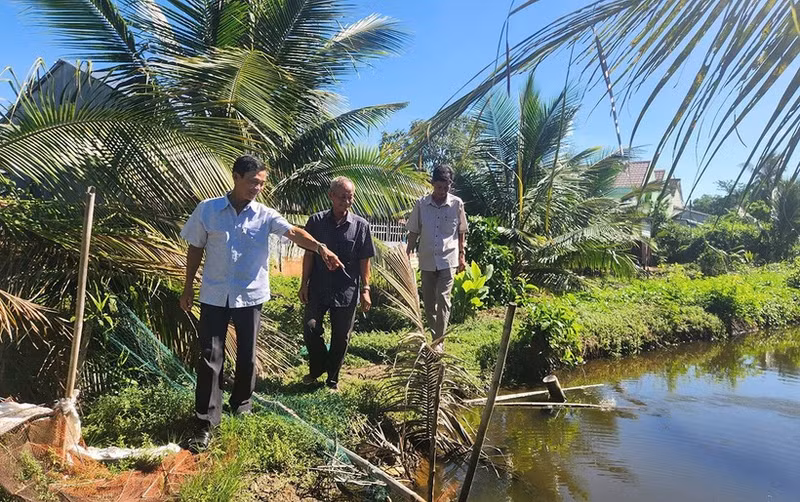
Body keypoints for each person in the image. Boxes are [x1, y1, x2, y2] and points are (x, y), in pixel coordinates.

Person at [179, 154, 343, 451]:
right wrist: (188, 287)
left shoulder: (264, 215)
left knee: (246, 355)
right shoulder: (209, 210)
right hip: (214, 294)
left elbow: (293, 232)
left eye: (262, 183)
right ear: (236, 177)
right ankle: (205, 420)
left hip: (250, 294)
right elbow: (195, 248)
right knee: (209, 355)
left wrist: (320, 248)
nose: (258, 188)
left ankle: (241, 404)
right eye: (253, 181)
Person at [299, 177, 375, 391]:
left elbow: (365, 260)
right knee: (310, 328)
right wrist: (304, 283)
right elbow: (309, 255)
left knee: (341, 337)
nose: (347, 201)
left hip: (346, 289)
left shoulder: (361, 226)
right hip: (319, 287)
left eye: (350, 197)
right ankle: (317, 368)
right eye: (342, 196)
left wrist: (365, 290)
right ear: (331, 196)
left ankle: (332, 378)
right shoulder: (315, 222)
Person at [406, 164, 468, 349]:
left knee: (443, 299)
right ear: (432, 183)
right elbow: (414, 230)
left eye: (446, 187)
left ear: (450, 185)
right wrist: (407, 252)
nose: (442, 191)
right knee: (430, 302)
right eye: (439, 186)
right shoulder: (421, 204)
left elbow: (461, 231)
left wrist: (462, 256)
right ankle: (435, 337)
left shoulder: (457, 204)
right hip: (426, 259)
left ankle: (438, 343)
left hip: (448, 258)